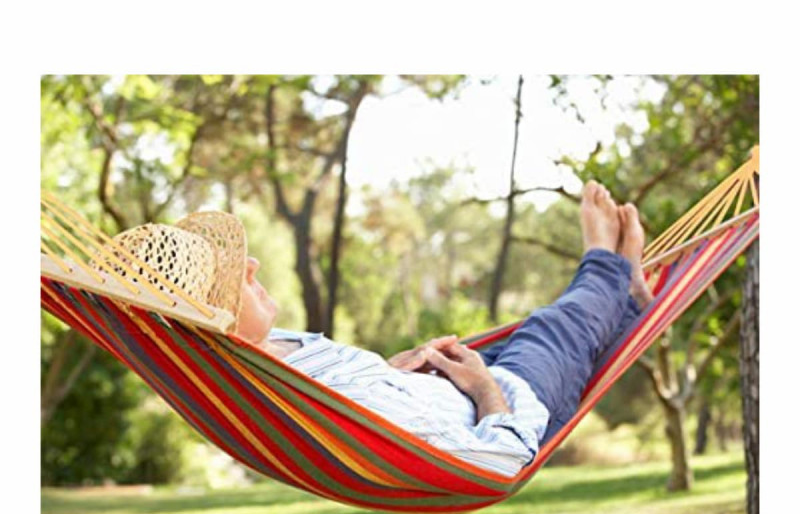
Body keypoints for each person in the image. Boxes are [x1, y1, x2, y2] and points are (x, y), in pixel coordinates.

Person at [109, 182, 653, 478]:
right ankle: (606, 263)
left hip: (454, 383)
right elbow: (499, 462)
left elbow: (364, 407)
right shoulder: (288, 394)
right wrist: (486, 388)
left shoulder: (278, 360)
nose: (251, 267)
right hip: (511, 405)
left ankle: (628, 295)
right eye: (232, 281)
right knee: (554, 329)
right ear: (215, 324)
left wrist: (393, 372)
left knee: (550, 330)